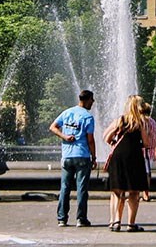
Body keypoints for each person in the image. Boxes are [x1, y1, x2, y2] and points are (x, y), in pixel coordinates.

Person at [49, 89, 96, 227]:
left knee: (65, 187)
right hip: (82, 156)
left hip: (67, 156)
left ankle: (62, 218)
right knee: (81, 188)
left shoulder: (67, 112)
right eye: (92, 100)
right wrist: (94, 157)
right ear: (86, 100)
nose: (93, 103)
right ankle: (81, 219)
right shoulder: (87, 117)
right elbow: (90, 140)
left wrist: (64, 136)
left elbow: (53, 127)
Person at [103, 95, 149, 232]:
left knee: (117, 191)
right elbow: (146, 143)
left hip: (119, 157)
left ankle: (116, 221)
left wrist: (113, 142)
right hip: (134, 157)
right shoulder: (140, 122)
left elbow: (106, 136)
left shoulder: (120, 119)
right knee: (134, 192)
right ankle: (131, 224)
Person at [141, 103, 156, 201]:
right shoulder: (153, 122)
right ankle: (145, 193)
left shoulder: (143, 121)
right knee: (146, 172)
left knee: (144, 173)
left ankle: (145, 194)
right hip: (150, 151)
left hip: (143, 151)